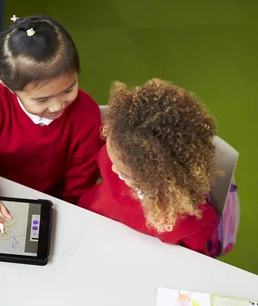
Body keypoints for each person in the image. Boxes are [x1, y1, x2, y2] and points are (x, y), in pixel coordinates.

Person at [0, 15, 102, 232]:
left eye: (68, 89)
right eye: (41, 100)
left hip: (49, 208)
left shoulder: (86, 114)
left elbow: (79, 188)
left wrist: (63, 221)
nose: (56, 107)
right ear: (7, 87)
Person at [78, 79, 219, 254]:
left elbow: (193, 263)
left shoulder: (187, 223)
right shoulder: (119, 154)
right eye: (111, 157)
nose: (112, 169)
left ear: (157, 179)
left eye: (124, 173)